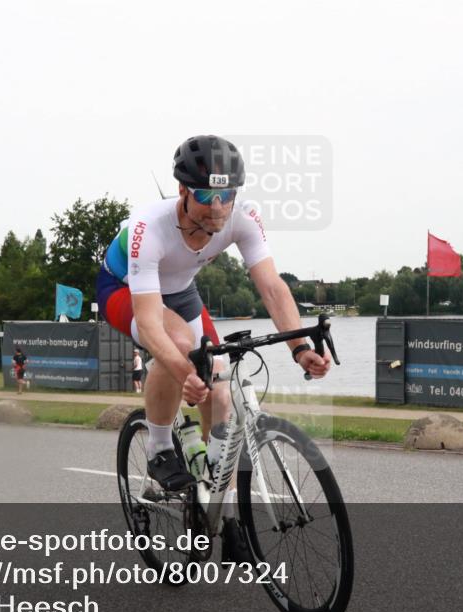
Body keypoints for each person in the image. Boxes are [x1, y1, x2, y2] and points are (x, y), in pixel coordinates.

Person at [96, 135, 331, 561]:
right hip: (125, 290)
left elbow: (272, 288)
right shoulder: (149, 228)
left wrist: (299, 347)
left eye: (227, 195)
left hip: (181, 291)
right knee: (180, 346)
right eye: (206, 195)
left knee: (220, 385)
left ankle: (221, 513)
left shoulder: (243, 217)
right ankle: (160, 447)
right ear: (183, 191)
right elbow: (149, 323)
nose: (218, 207)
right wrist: (183, 371)